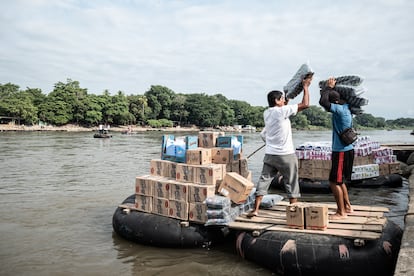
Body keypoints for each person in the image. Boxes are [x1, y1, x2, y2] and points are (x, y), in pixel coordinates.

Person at [247, 76, 312, 217]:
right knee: (291, 182)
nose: (284, 100)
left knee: (264, 180)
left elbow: (284, 107)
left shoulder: (267, 112)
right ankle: (293, 212)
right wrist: (305, 87)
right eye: (282, 99)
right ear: (277, 101)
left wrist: (287, 97)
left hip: (270, 155)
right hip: (286, 155)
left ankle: (256, 210)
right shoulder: (281, 111)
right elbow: (305, 104)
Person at [319, 77, 354, 220]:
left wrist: (328, 88)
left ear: (336, 102)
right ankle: (347, 207)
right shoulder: (347, 108)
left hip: (341, 151)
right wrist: (331, 89)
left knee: (333, 182)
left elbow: (323, 102)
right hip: (348, 149)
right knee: (340, 181)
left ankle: (341, 213)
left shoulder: (339, 110)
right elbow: (327, 102)